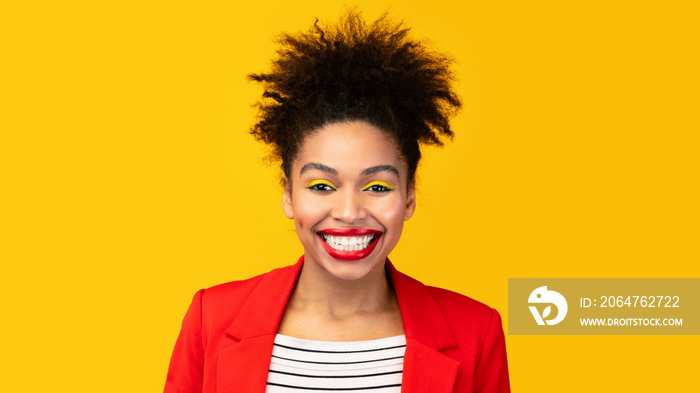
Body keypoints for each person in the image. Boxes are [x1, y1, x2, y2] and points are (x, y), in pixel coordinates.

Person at [165, 11, 510, 393]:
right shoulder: (211, 319)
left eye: (377, 187)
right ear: (287, 194)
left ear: (409, 196)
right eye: (322, 186)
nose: (348, 213)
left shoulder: (476, 331)